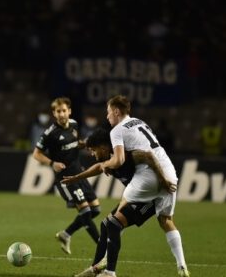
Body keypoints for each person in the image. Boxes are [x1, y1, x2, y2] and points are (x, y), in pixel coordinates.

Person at [70, 95, 189, 277]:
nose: (108, 116)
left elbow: (120, 160)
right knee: (164, 221)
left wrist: (110, 165)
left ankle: (108, 271)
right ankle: (182, 267)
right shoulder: (138, 122)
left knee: (112, 223)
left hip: (150, 178)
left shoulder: (117, 133)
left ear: (116, 111)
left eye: (109, 112)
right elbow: (103, 162)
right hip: (169, 171)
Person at [32, 97, 100, 254]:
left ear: (69, 111)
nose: (62, 114)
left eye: (64, 110)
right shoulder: (51, 133)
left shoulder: (74, 125)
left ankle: (66, 233)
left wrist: (85, 144)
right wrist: (51, 163)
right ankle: (102, 245)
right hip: (66, 179)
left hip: (79, 173)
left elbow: (76, 143)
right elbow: (36, 154)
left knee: (95, 210)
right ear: (54, 114)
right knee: (86, 212)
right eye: (58, 111)